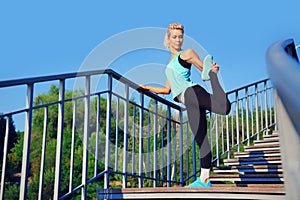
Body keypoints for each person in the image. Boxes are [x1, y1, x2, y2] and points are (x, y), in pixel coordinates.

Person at [141, 23, 231, 187]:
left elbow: (204, 70)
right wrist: (148, 88)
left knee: (224, 108)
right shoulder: (169, 65)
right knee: (201, 139)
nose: (178, 40)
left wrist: (211, 72)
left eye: (180, 36)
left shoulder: (186, 54)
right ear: (168, 39)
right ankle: (204, 180)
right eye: (174, 36)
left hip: (192, 92)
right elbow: (167, 89)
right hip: (187, 101)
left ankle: (216, 83)